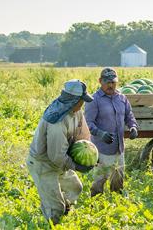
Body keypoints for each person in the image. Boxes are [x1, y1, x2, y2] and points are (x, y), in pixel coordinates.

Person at [26, 79, 94, 225]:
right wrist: (77, 166)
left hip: (60, 160)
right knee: (56, 207)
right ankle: (52, 219)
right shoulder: (57, 120)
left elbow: (83, 136)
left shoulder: (76, 111)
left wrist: (92, 155)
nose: (83, 103)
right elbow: (56, 156)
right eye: (81, 100)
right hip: (43, 164)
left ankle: (61, 213)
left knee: (76, 188)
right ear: (73, 100)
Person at [85, 67, 138, 196]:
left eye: (113, 82)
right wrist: (100, 133)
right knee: (100, 178)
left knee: (118, 177)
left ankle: (117, 199)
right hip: (102, 148)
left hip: (119, 147)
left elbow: (129, 115)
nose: (110, 85)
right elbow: (88, 123)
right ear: (100, 81)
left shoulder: (122, 98)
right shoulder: (94, 100)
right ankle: (96, 201)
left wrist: (133, 127)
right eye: (107, 82)